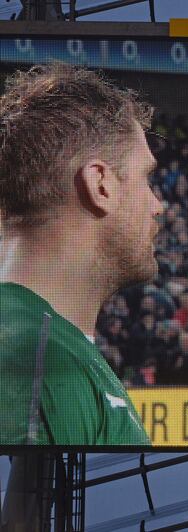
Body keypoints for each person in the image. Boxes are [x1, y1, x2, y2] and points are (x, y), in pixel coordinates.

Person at [0, 63, 161, 446]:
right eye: (146, 177)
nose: (158, 204)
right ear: (100, 185)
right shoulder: (39, 362)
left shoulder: (50, 347)